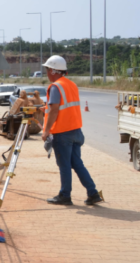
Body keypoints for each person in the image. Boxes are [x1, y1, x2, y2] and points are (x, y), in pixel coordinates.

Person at [40, 55, 103, 206]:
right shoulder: (71, 84)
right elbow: (64, 106)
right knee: (77, 163)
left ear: (54, 71)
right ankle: (93, 193)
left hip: (62, 132)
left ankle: (65, 195)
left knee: (64, 165)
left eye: (48, 70)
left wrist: (46, 130)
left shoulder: (55, 86)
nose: (47, 73)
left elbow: (55, 110)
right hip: (76, 131)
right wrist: (47, 109)